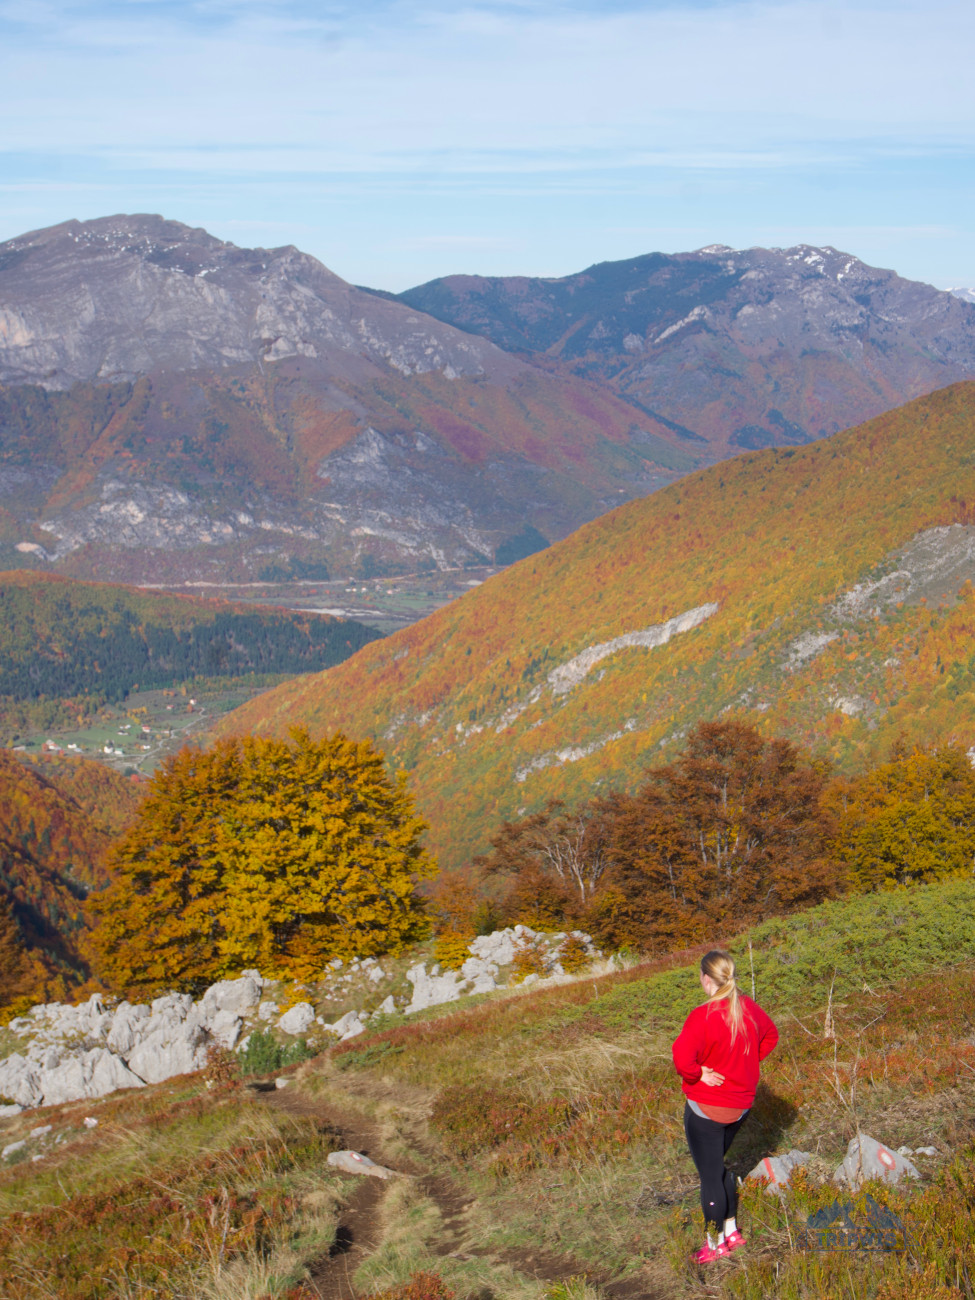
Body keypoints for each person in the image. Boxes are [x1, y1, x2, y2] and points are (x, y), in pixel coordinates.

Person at [671, 949, 779, 1264]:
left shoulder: (702, 1016)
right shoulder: (748, 1007)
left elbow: (681, 1060)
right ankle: (732, 1231)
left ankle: (714, 1245)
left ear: (706, 979)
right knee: (719, 1167)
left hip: (707, 1110)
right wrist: (745, 1065)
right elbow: (770, 1036)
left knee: (710, 1176)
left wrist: (698, 1074)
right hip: (741, 1107)